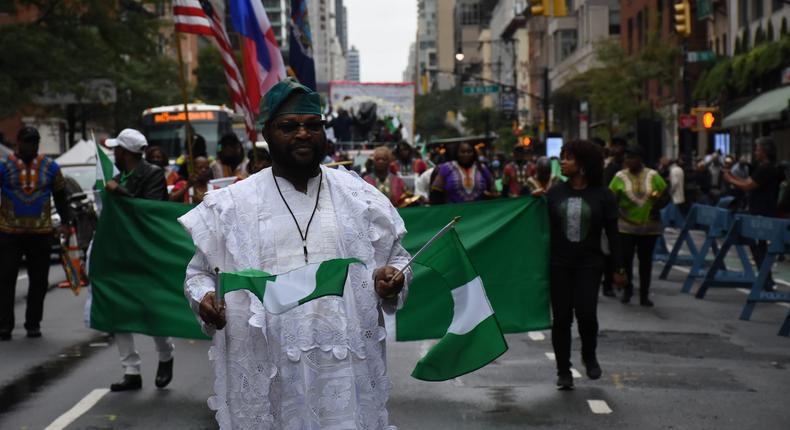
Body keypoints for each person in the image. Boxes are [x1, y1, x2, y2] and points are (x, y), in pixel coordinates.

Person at [179, 78, 411, 428]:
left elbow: (398, 259)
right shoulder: (232, 205)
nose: (303, 134)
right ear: (268, 133)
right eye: (289, 126)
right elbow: (198, 275)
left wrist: (392, 278)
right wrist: (206, 298)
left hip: (344, 372)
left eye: (312, 125)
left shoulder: (359, 196)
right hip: (270, 370)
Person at [548, 140, 625, 390]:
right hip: (559, 264)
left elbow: (614, 235)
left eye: (567, 157)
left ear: (582, 164)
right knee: (561, 319)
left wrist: (619, 268)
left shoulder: (603, 195)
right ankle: (563, 370)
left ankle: (589, 355)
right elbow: (540, 229)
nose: (562, 161)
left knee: (586, 313)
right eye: (562, 157)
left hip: (590, 264)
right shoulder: (555, 192)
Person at [103, 128, 174, 391]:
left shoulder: (153, 174)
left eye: (116, 150)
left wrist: (119, 192)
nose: (114, 154)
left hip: (147, 253)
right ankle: (131, 370)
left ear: (125, 152)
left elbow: (151, 212)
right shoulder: (120, 176)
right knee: (119, 310)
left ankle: (165, 354)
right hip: (121, 252)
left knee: (150, 310)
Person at [0, 126, 71, 341]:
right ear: (18, 143)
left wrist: (66, 223)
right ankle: (4, 325)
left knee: (39, 280)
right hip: (9, 231)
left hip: (41, 231)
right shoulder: (4, 167)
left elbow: (61, 196)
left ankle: (33, 323)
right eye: (27, 142)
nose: (30, 146)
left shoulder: (51, 167)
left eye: (34, 143)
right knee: (5, 279)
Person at [609, 145, 668, 306]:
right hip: (626, 226)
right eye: (627, 158)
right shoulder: (619, 177)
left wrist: (657, 206)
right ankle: (628, 290)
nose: (628, 161)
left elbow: (664, 195)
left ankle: (644, 294)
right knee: (627, 260)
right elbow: (611, 198)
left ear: (640, 159)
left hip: (649, 226)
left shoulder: (653, 175)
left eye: (632, 157)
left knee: (646, 261)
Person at [722, 137, 781, 290]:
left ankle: (766, 280)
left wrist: (730, 179)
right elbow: (748, 181)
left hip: (762, 212)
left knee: (760, 247)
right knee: (758, 247)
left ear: (765, 152)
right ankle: (765, 279)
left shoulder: (766, 168)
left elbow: (748, 185)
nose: (755, 152)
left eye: (758, 149)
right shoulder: (764, 167)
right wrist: (732, 177)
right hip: (762, 210)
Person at [430, 141, 496, 204]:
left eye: (469, 151)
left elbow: (493, 189)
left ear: (473, 153)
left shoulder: (482, 168)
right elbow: (436, 192)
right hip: (453, 212)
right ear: (457, 153)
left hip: (481, 212)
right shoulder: (446, 168)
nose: (466, 154)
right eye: (462, 152)